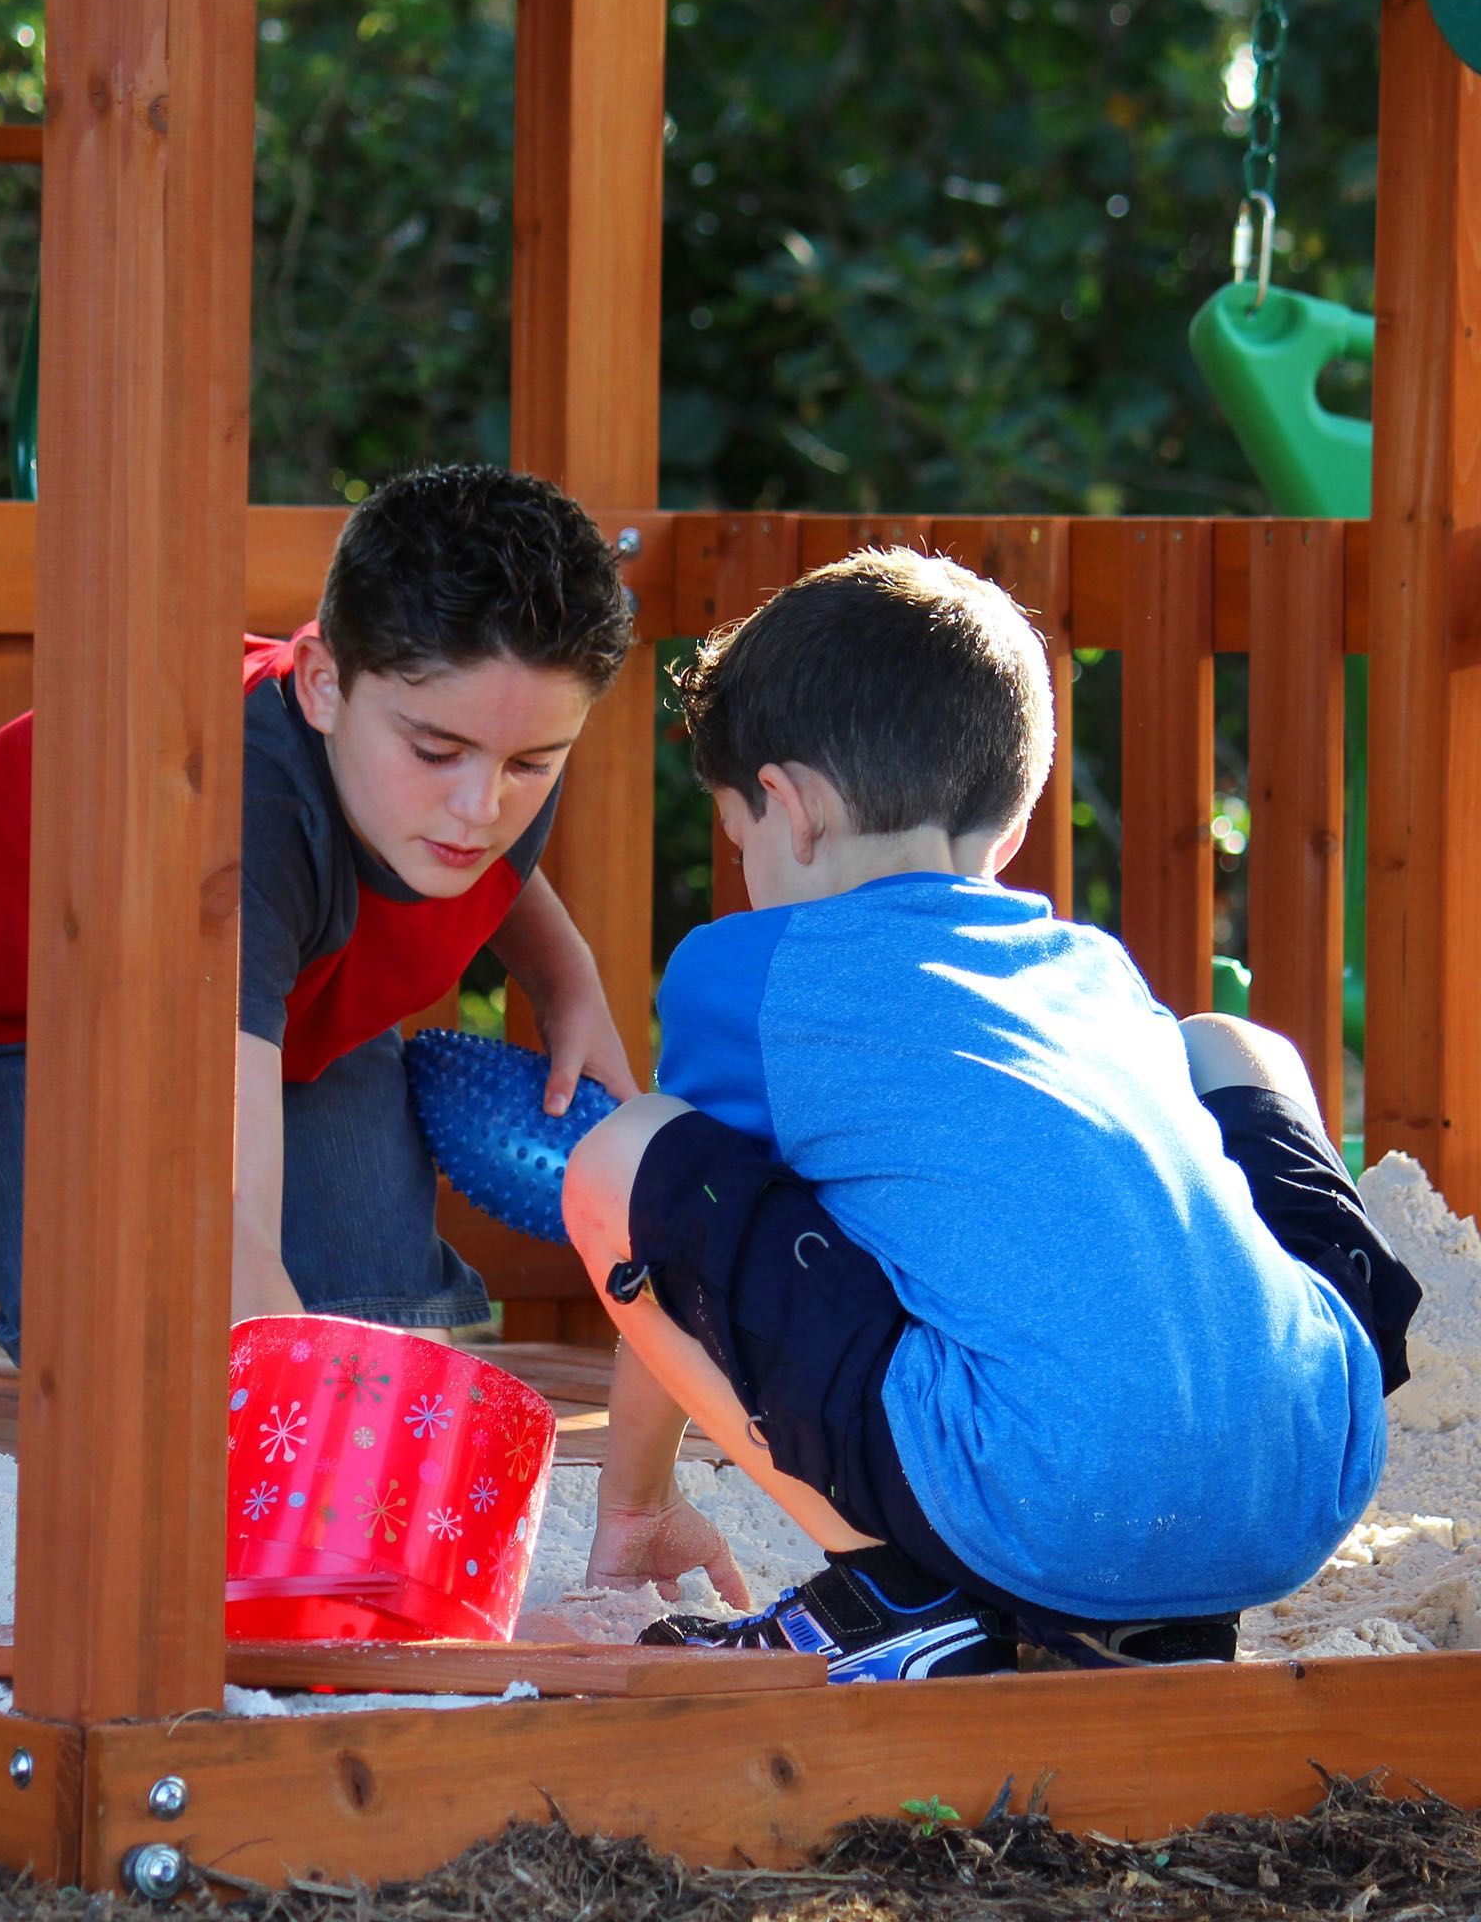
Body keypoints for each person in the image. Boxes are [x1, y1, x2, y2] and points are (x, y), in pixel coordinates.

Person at [560, 548, 1421, 1679]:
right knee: (1227, 1043)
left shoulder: (754, 970)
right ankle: (1146, 1582)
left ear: (791, 806)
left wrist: (635, 1504)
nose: (746, 870)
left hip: (1040, 1497)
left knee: (618, 1157)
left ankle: (895, 1584)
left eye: (740, 839)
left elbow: (678, 1232)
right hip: (1299, 1471)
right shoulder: (1091, 970)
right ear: (1007, 828)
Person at [0, 465, 641, 1360]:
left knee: (371, 1304)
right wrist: (303, 1416)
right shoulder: (232, 821)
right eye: (438, 751)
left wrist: (566, 979)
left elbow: (504, 863)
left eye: (531, 765)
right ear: (323, 684)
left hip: (282, 992)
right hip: (48, 1007)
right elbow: (232, 1226)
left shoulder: (488, 751)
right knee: (131, 1348)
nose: (482, 807)